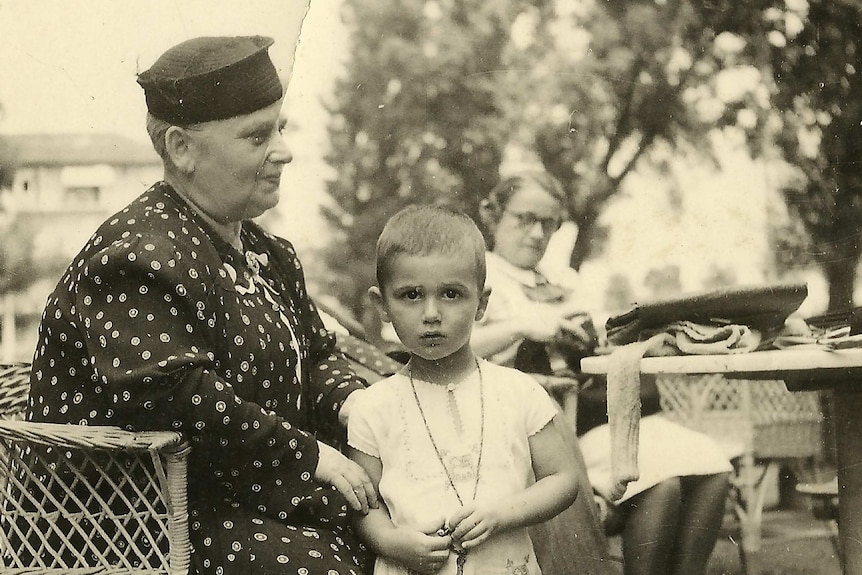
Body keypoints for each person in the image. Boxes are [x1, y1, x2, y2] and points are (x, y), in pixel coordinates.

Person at [27, 36, 376, 575]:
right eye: (258, 135)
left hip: (243, 495)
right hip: (133, 522)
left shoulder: (267, 251)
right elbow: (179, 397)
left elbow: (319, 351)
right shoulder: (138, 256)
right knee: (328, 565)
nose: (283, 150)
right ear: (180, 148)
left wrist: (361, 411)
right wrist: (311, 459)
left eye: (280, 128)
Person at [471, 170, 732, 575]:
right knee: (660, 483)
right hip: (533, 434)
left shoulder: (565, 281)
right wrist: (523, 327)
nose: (538, 234)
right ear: (493, 215)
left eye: (549, 223)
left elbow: (603, 338)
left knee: (711, 463)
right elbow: (453, 347)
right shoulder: (479, 276)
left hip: (591, 415)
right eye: (525, 219)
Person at [347, 205, 579, 575]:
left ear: (481, 303)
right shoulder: (373, 407)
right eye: (410, 295)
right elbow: (365, 504)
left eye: (452, 294)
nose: (431, 313)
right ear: (382, 306)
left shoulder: (518, 391)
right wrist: (391, 542)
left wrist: (501, 515)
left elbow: (563, 480)